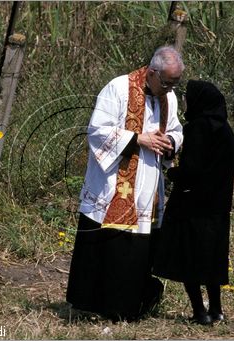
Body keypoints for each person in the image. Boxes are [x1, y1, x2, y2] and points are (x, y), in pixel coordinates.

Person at [66, 45, 184, 321]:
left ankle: (129, 307)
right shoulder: (118, 88)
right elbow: (97, 130)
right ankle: (93, 305)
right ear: (152, 73)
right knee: (108, 245)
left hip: (147, 186)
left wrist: (170, 143)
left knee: (136, 250)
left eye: (174, 85)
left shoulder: (170, 97)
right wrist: (138, 138)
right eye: (166, 83)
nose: (169, 90)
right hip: (114, 182)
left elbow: (177, 131)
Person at [152, 80, 234, 325]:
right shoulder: (225, 130)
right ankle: (217, 310)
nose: (186, 102)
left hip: (191, 207)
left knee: (188, 258)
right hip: (218, 209)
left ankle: (200, 312)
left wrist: (173, 173)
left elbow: (192, 170)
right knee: (210, 260)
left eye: (188, 97)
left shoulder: (198, 128)